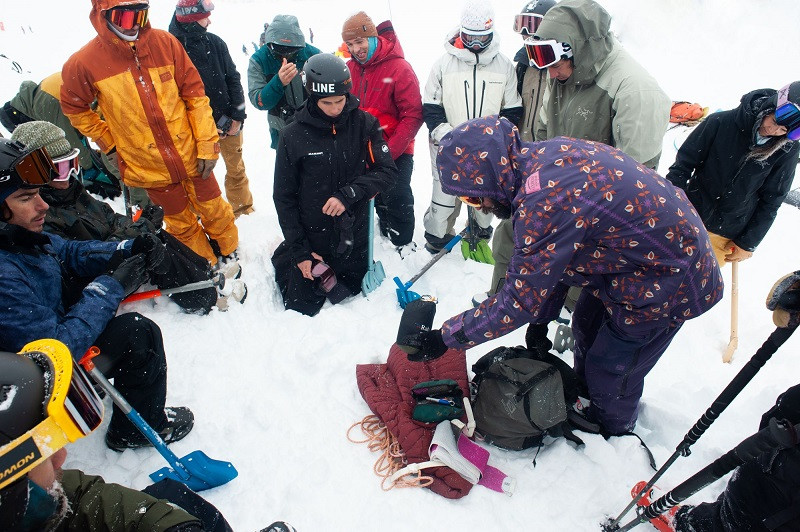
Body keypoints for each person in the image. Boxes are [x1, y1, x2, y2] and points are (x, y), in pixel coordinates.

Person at [400, 116, 723, 435]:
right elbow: (555, 261)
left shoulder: (542, 203)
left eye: (474, 197)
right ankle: (588, 394)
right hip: (627, 264)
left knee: (613, 366)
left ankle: (611, 427)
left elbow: (517, 302)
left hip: (672, 277)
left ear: (492, 177)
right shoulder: (540, 160)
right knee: (585, 326)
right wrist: (542, 320)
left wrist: (446, 337)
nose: (480, 207)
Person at [0, 137, 194, 451]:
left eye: (38, 193)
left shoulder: (17, 238)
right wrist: (108, 287)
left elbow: (70, 251)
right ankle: (135, 433)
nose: (43, 206)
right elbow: (57, 353)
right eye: (25, 197)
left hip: (46, 347)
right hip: (35, 388)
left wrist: (126, 247)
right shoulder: (4, 274)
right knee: (138, 334)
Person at [0, 340, 295, 531]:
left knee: (173, 497)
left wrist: (170, 527)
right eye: (44, 448)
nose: (63, 455)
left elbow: (79, 498)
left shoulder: (29, 504)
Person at [61, 0, 240, 267]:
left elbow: (196, 96)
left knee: (214, 208)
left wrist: (206, 144)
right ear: (103, 15)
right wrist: (109, 144)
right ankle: (203, 263)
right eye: (124, 17)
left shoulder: (165, 43)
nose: (133, 25)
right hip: (148, 165)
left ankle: (229, 247)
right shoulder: (84, 63)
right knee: (180, 221)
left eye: (140, 15)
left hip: (191, 152)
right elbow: (75, 108)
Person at [11, 120, 246, 314]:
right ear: (38, 172)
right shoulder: (39, 213)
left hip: (113, 250)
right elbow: (87, 255)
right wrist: (137, 231)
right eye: (62, 168)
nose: (70, 175)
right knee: (153, 249)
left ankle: (205, 275)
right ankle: (206, 298)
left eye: (73, 164)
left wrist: (139, 223)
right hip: (98, 273)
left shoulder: (70, 191)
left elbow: (108, 218)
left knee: (156, 233)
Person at [272, 54, 396, 316]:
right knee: (301, 305)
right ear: (312, 97)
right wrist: (301, 252)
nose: (336, 108)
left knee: (350, 290)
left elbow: (386, 172)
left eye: (340, 100)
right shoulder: (292, 135)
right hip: (312, 234)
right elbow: (284, 197)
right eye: (327, 102)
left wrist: (349, 194)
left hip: (353, 233)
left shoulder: (365, 124)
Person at [421, 0, 523, 256]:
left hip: (488, 147)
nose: (475, 44)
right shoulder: (444, 64)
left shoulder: (503, 66)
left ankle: (478, 236)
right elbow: (431, 105)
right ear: (460, 32)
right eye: (469, 37)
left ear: (490, 33)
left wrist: (497, 138)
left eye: (481, 38)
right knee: (445, 195)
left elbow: (512, 109)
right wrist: (445, 133)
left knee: (485, 195)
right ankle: (438, 237)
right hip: (448, 143)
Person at [474, 0, 556, 302]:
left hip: (553, 165)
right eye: (523, 31)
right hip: (524, 160)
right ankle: (500, 294)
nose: (526, 38)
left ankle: (555, 300)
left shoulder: (562, 69)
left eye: (534, 30)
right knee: (509, 233)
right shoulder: (523, 63)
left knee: (548, 238)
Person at [666, 82, 800, 266]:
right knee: (661, 269)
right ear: (769, 107)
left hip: (725, 233)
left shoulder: (786, 150)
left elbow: (772, 199)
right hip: (686, 216)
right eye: (775, 122)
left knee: (695, 286)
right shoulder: (720, 123)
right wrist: (672, 206)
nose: (774, 131)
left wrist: (748, 242)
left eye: (783, 130)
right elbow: (682, 168)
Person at [531, 0, 671, 168]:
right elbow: (544, 132)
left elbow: (635, 178)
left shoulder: (635, 91)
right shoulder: (560, 71)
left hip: (600, 192)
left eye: (555, 66)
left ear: (578, 52)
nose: (551, 74)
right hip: (561, 184)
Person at [342, 12, 423, 252]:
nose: (356, 49)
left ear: (373, 37)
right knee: (373, 194)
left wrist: (390, 150)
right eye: (350, 44)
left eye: (360, 42)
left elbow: (413, 115)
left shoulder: (399, 68)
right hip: (361, 149)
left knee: (397, 194)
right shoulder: (349, 69)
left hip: (395, 147)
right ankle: (384, 224)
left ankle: (403, 242)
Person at [170, 0, 255, 218]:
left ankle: (243, 210)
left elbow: (233, 79)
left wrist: (237, 116)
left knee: (236, 169)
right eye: (205, 15)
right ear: (191, 17)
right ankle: (201, 216)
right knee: (197, 175)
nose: (210, 20)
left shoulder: (215, 43)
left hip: (227, 122)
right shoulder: (170, 48)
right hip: (192, 131)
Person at [0, 72, 123, 199]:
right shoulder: (41, 89)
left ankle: (124, 188)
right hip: (110, 99)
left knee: (111, 154)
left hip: (107, 109)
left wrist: (89, 170)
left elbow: (73, 144)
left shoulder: (44, 104)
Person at [248, 15, 321, 150]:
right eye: (280, 49)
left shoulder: (312, 54)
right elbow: (258, 100)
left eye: (291, 49)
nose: (285, 55)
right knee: (288, 168)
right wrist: (278, 82)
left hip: (315, 126)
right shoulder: (259, 60)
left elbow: (328, 90)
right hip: (281, 128)